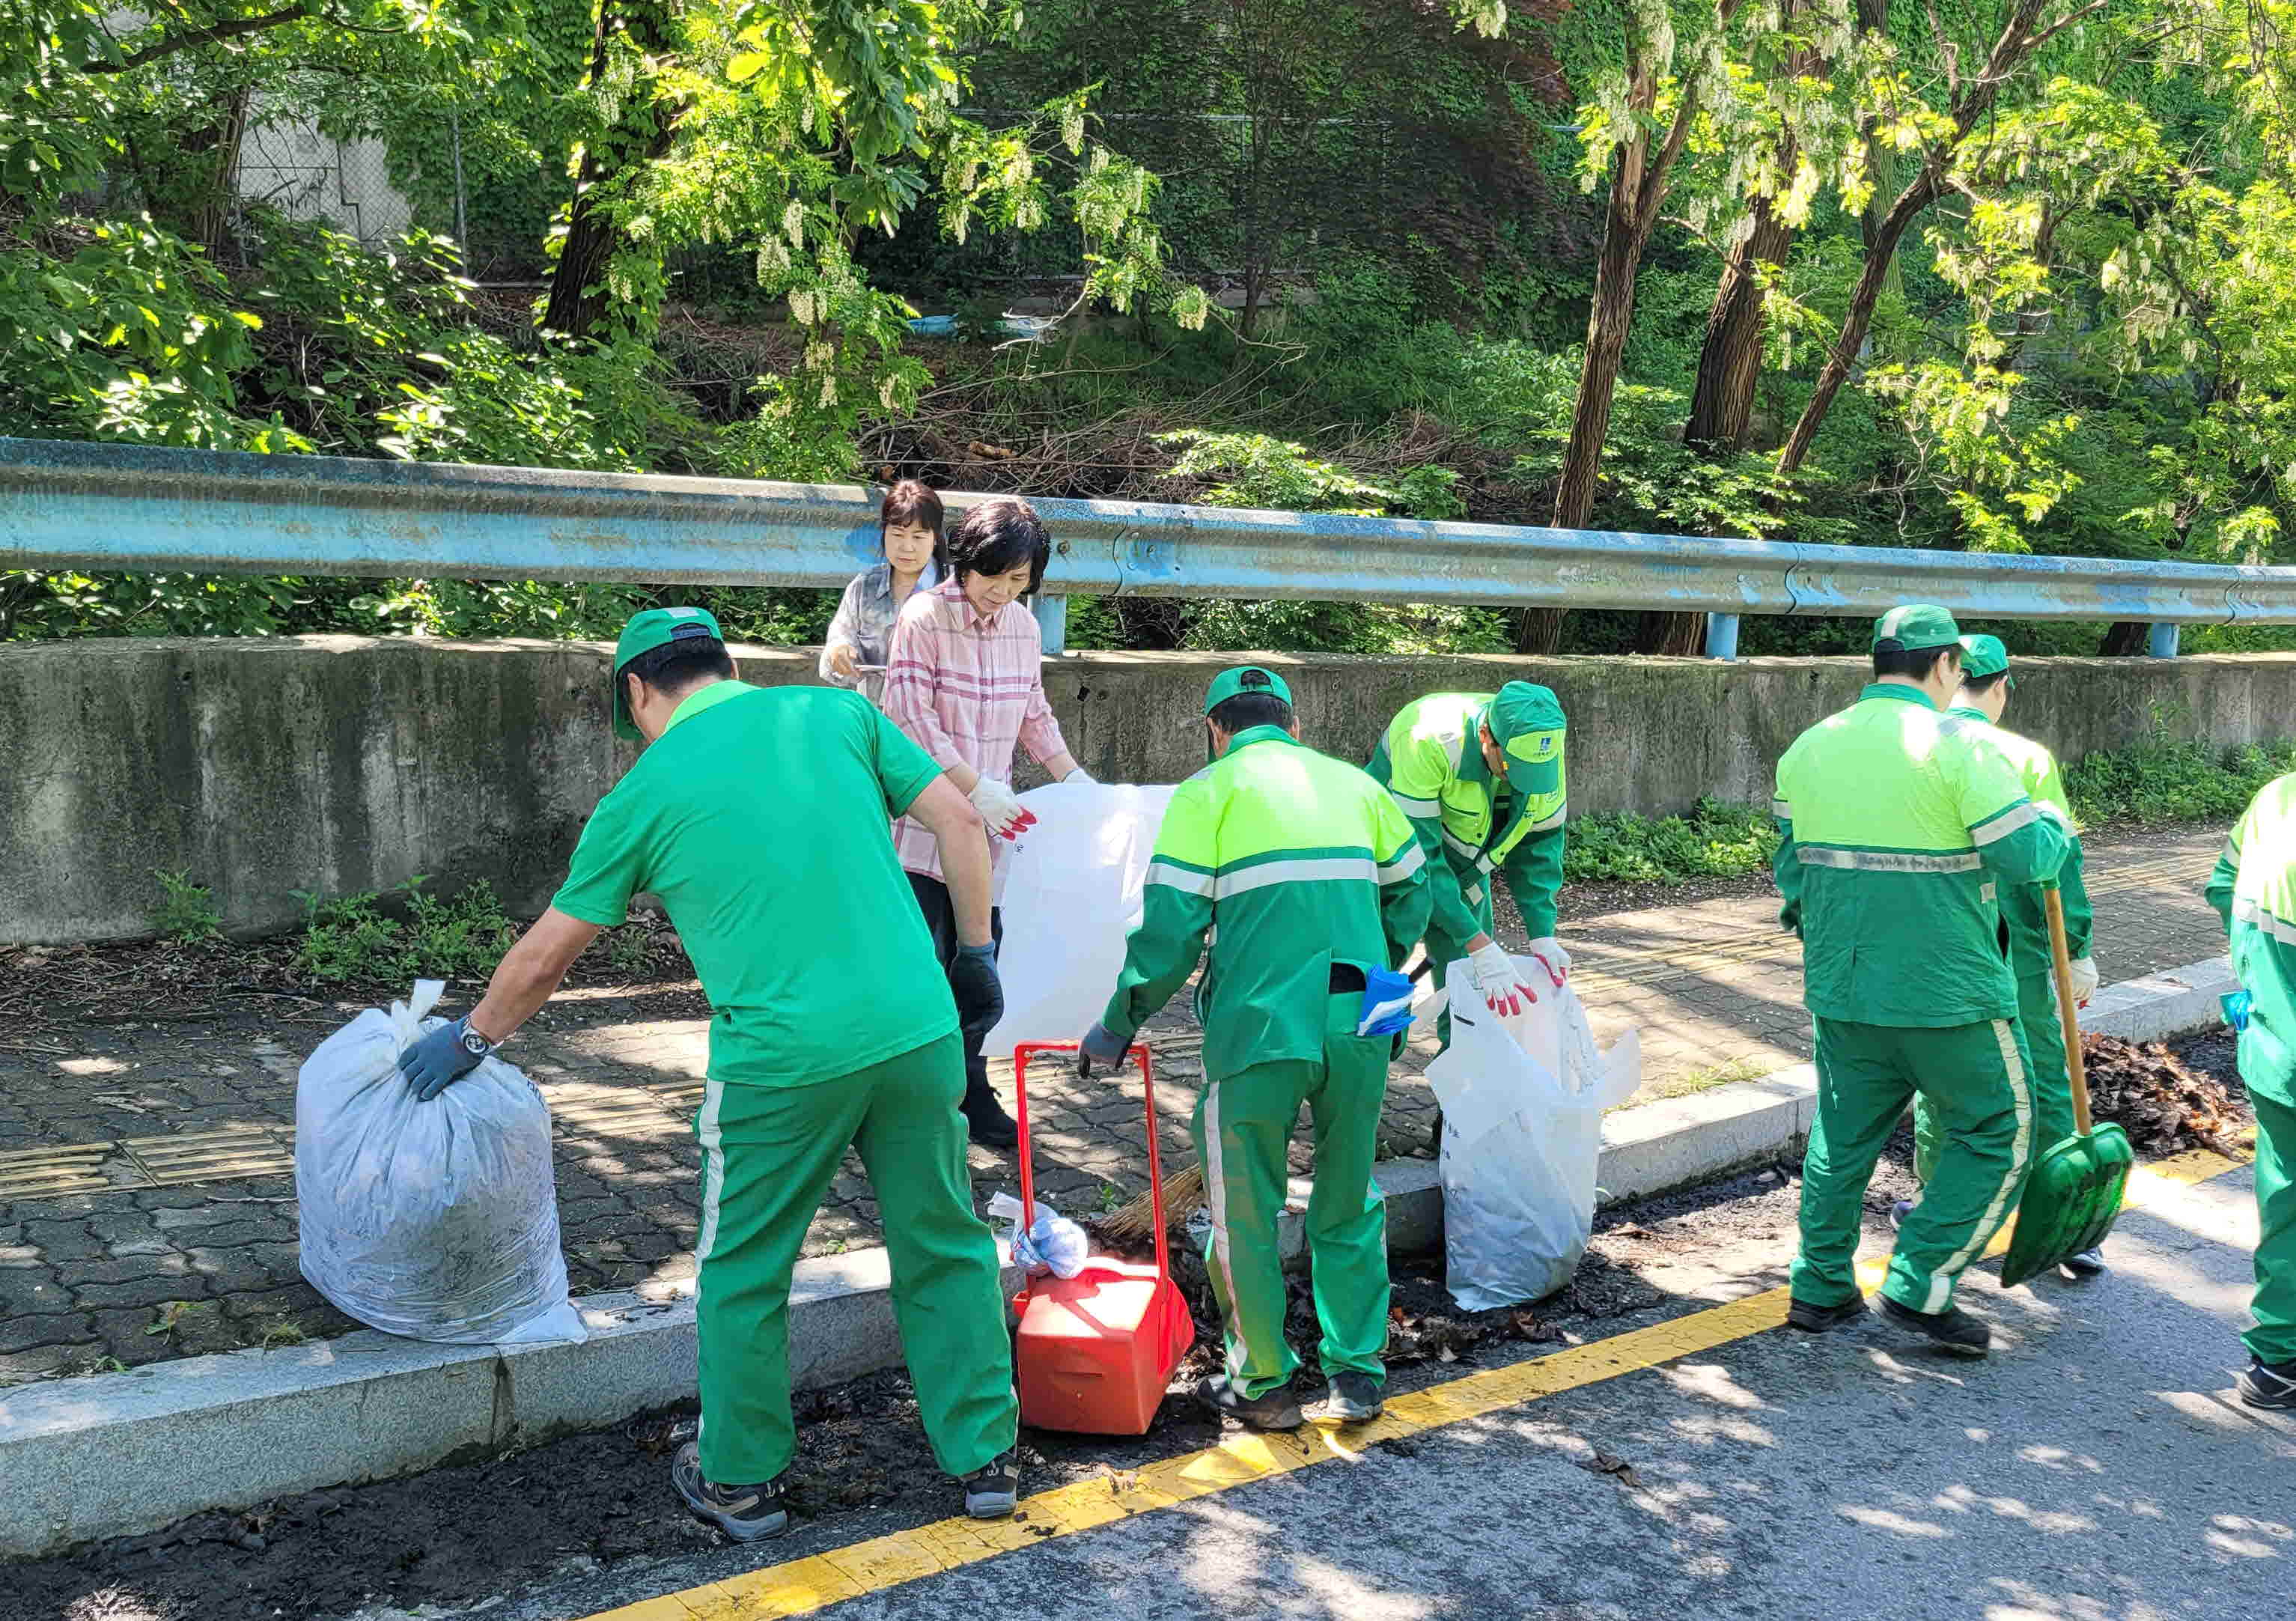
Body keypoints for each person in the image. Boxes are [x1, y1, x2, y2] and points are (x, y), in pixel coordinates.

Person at [395, 606, 1023, 1539]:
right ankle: (986, 1461)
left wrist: (472, 1039)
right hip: (917, 1031)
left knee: (742, 1265)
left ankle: (741, 1478)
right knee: (943, 1238)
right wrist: (975, 951)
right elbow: (963, 820)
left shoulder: (642, 793)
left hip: (780, 1063)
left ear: (639, 693)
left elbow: (546, 956)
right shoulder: (836, 715)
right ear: (725, 665)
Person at [1077, 667, 1431, 1431]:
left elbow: (1169, 929)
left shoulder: (1207, 793)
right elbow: (1414, 891)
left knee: (1243, 1209)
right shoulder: (1355, 787)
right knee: (1348, 1197)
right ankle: (1357, 1373)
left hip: (1258, 1027)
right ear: (1293, 724)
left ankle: (1265, 1381)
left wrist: (1119, 1019)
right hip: (1361, 1021)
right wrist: (1382, 956)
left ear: (1216, 730)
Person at [1773, 604, 2071, 1358]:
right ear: (1945, 667)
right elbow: (2027, 862)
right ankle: (1920, 1278)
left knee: (1842, 1138)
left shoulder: (1810, 746)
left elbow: (1791, 878)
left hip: (1843, 990)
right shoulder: (1959, 747)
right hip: (1949, 995)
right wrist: (2051, 823)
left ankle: (1818, 1286)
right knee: (2000, 1127)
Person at [1895, 633, 2106, 1277]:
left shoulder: (1906, 747)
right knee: (2044, 1071)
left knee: (1941, 1079)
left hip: (1938, 944)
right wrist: (2078, 951)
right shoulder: (2024, 756)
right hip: (2018, 947)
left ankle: (1939, 1199)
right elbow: (2055, 864)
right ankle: (2065, 1218)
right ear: (2001, 685)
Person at [885, 496, 1090, 1148]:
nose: (1003, 592)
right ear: (965, 561)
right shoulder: (922, 617)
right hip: (926, 831)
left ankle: (972, 1093)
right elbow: (909, 718)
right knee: (921, 972)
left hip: (991, 840)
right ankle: (908, 1109)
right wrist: (974, 786)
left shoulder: (1023, 628)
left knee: (980, 971)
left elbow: (1034, 711)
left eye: (1018, 581)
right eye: (994, 576)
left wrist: (1072, 777)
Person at [1365, 682, 1570, 1041]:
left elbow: (1540, 843)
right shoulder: (1428, 738)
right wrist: (1478, 943)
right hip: (1392, 860)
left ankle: (1459, 1091)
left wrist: (1542, 933)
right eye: (1510, 767)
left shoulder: (1542, 746)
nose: (1516, 781)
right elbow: (1418, 861)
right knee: (1378, 976)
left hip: (1464, 860)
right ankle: (1368, 1067)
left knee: (1469, 994)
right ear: (1486, 736)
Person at [2203, 774, 2296, 1409]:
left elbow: (2219, 886)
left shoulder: (2275, 797)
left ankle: (2276, 1358)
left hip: (2270, 1049)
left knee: (2285, 1200)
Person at [820, 479, 948, 707]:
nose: (907, 547)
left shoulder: (954, 592)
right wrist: (839, 652)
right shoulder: (864, 587)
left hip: (934, 726)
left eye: (918, 537)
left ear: (935, 538)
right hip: (874, 722)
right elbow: (839, 640)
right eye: (898, 534)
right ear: (884, 532)